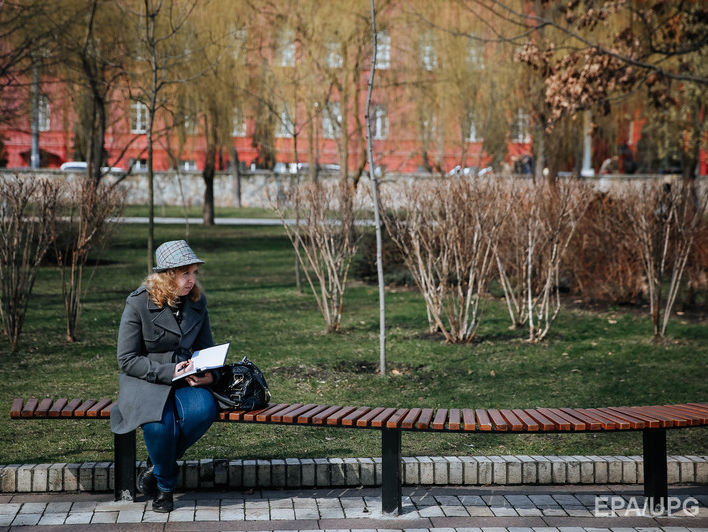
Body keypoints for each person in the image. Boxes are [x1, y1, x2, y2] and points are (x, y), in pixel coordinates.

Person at [110, 240, 218, 513]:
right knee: (159, 425)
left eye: (194, 273)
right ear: (168, 275)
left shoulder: (196, 302)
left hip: (186, 378)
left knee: (203, 410)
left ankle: (157, 465)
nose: (192, 280)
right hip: (145, 379)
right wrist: (168, 371)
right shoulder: (138, 303)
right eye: (186, 274)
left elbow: (206, 347)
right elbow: (126, 359)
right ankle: (165, 489)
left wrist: (208, 375)